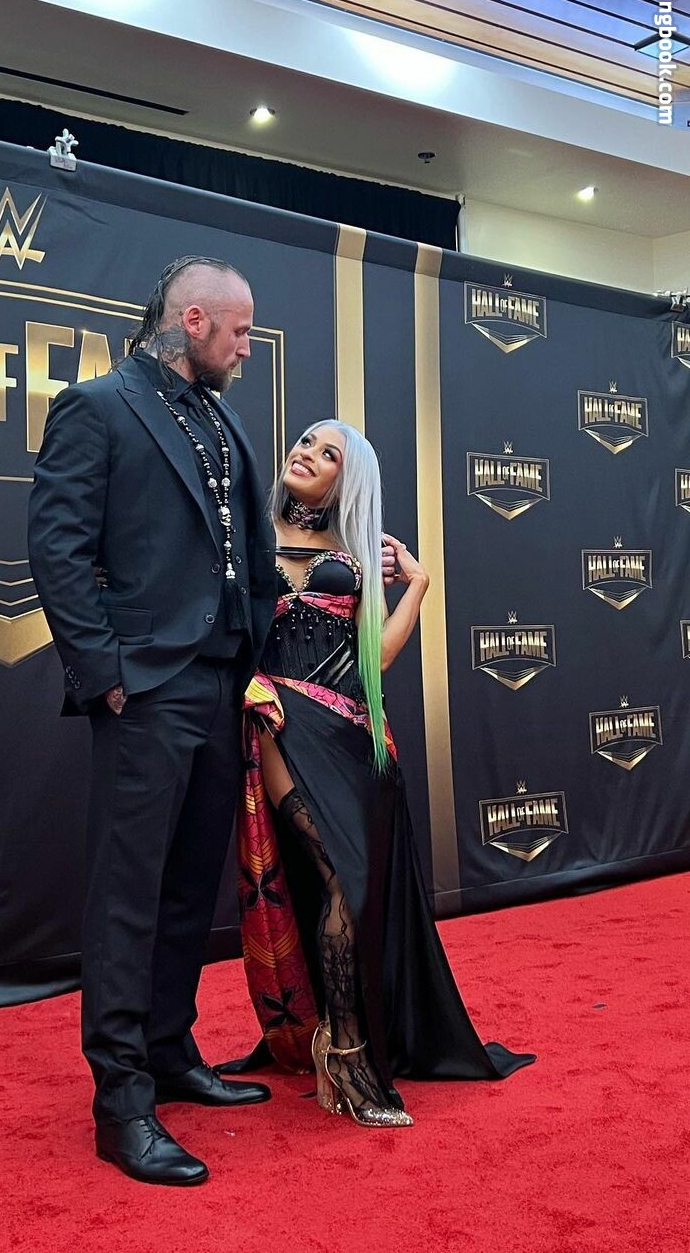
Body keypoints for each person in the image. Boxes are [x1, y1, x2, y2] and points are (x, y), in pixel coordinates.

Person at [27, 256, 283, 1186]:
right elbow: (56, 546)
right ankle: (121, 1101)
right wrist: (107, 675)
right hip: (147, 689)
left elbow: (246, 550)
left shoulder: (221, 416)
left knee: (188, 889)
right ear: (195, 320)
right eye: (240, 332)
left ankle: (171, 1051)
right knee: (127, 895)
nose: (247, 350)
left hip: (221, 682)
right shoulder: (97, 406)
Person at [223, 420, 534, 1125]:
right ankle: (347, 1054)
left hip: (355, 737)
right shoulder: (247, 536)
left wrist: (418, 584)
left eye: (328, 453)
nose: (307, 453)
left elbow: (378, 658)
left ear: (348, 479)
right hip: (278, 721)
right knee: (337, 873)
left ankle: (349, 1046)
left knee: (358, 888)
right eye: (306, 442)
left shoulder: (355, 557)